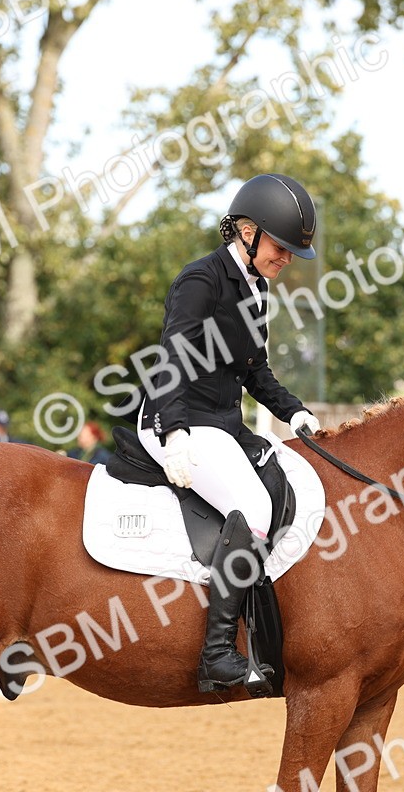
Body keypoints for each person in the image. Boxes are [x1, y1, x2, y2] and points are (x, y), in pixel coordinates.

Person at [126, 173, 322, 693]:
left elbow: (255, 372)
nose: (285, 260)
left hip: (223, 425)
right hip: (180, 420)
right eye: (281, 248)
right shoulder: (202, 280)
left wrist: (294, 411)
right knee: (254, 509)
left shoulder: (256, 288)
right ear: (248, 231)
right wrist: (173, 432)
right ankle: (216, 653)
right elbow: (170, 359)